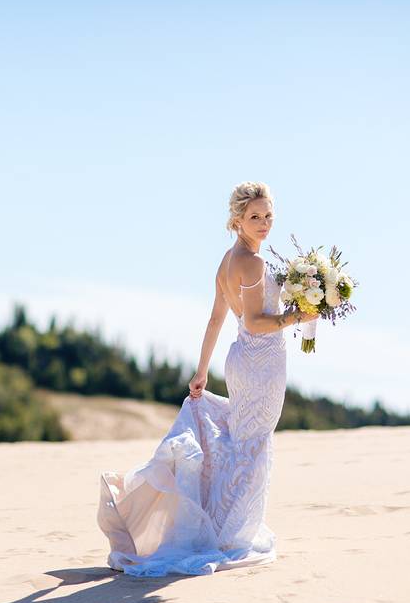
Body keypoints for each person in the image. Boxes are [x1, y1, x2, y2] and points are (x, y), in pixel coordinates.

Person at [96, 181, 318, 577]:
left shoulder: (228, 260)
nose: (264, 223)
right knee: (252, 442)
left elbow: (218, 317)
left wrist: (202, 371)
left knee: (245, 440)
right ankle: (230, 533)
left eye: (268, 216)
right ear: (237, 220)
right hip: (259, 363)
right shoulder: (251, 263)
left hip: (242, 359)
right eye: (255, 217)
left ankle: (224, 524)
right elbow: (253, 321)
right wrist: (298, 317)